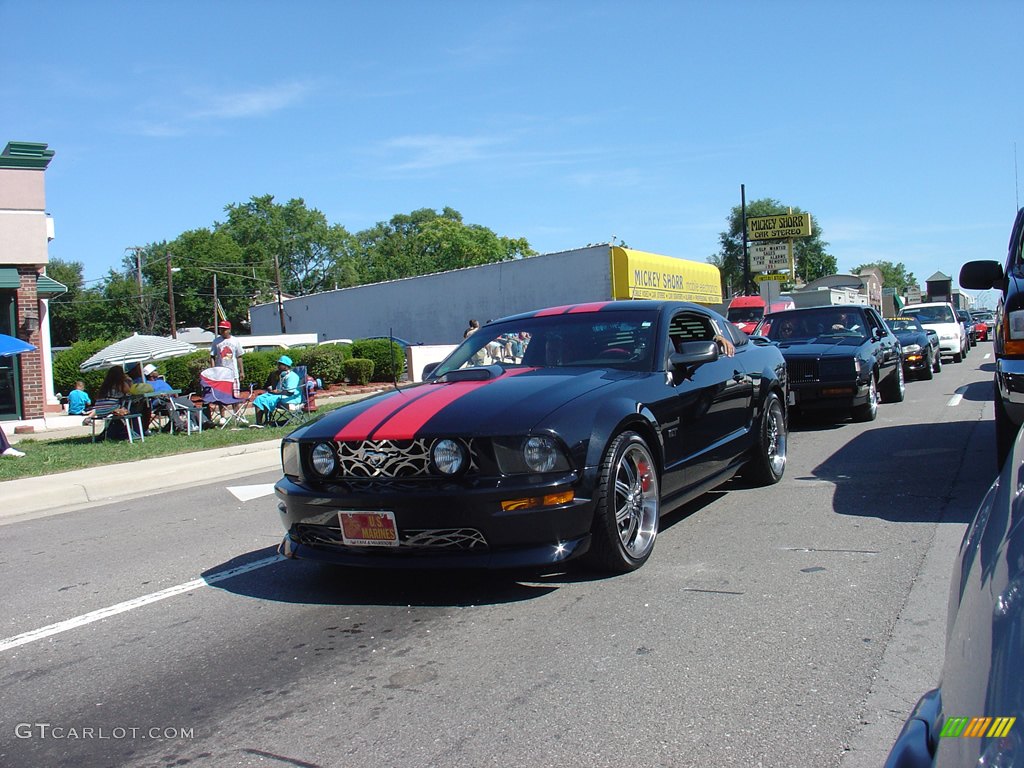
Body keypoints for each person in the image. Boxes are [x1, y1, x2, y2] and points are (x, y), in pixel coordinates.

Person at [210, 320, 246, 424]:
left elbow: (239, 357)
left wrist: (241, 371)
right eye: (221, 329)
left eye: (224, 329)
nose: (222, 331)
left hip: (233, 373)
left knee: (235, 395)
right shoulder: (216, 341)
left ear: (229, 330)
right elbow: (212, 356)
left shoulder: (235, 341)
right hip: (221, 374)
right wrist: (213, 370)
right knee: (222, 396)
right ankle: (222, 416)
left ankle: (237, 415)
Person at [253, 355, 301, 426]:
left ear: (285, 366)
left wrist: (279, 392)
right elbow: (277, 388)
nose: (277, 366)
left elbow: (290, 392)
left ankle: (267, 421)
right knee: (259, 399)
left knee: (268, 400)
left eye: (279, 364)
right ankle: (259, 423)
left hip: (291, 398)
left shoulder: (293, 377)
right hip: (279, 395)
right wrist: (272, 388)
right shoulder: (281, 375)